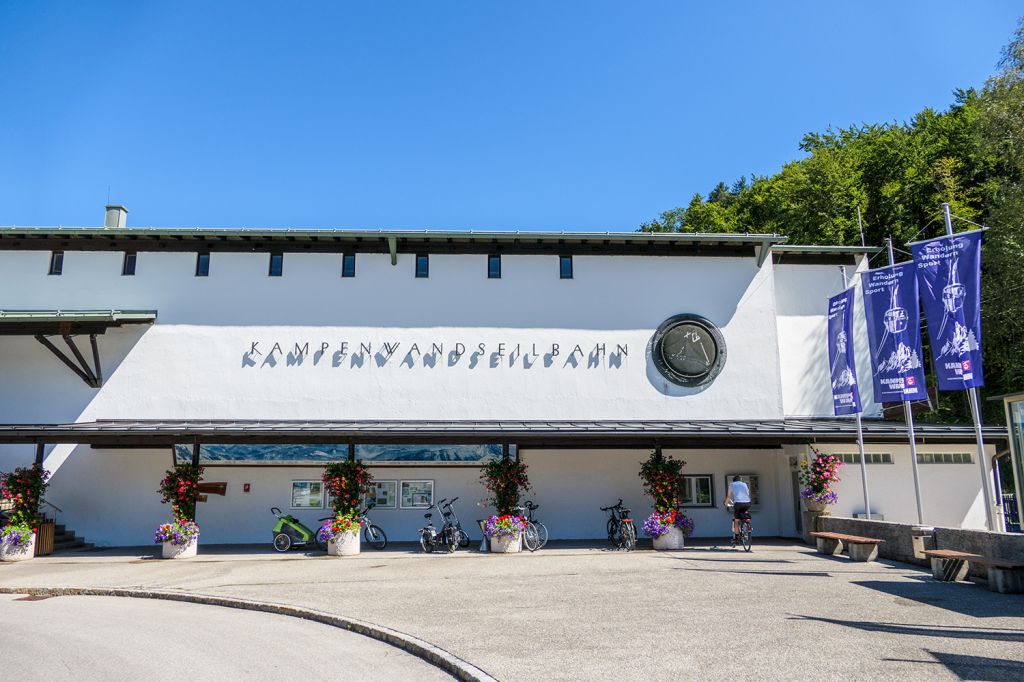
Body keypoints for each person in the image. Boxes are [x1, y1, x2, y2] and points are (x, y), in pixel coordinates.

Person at [724, 475, 751, 547]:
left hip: (738, 504)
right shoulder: (745, 484)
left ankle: (736, 538)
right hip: (747, 503)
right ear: (740, 480)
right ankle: (747, 524)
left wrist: (726, 504)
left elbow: (729, 496)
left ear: (734, 480)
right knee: (745, 513)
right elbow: (747, 494)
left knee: (736, 520)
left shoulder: (732, 484)